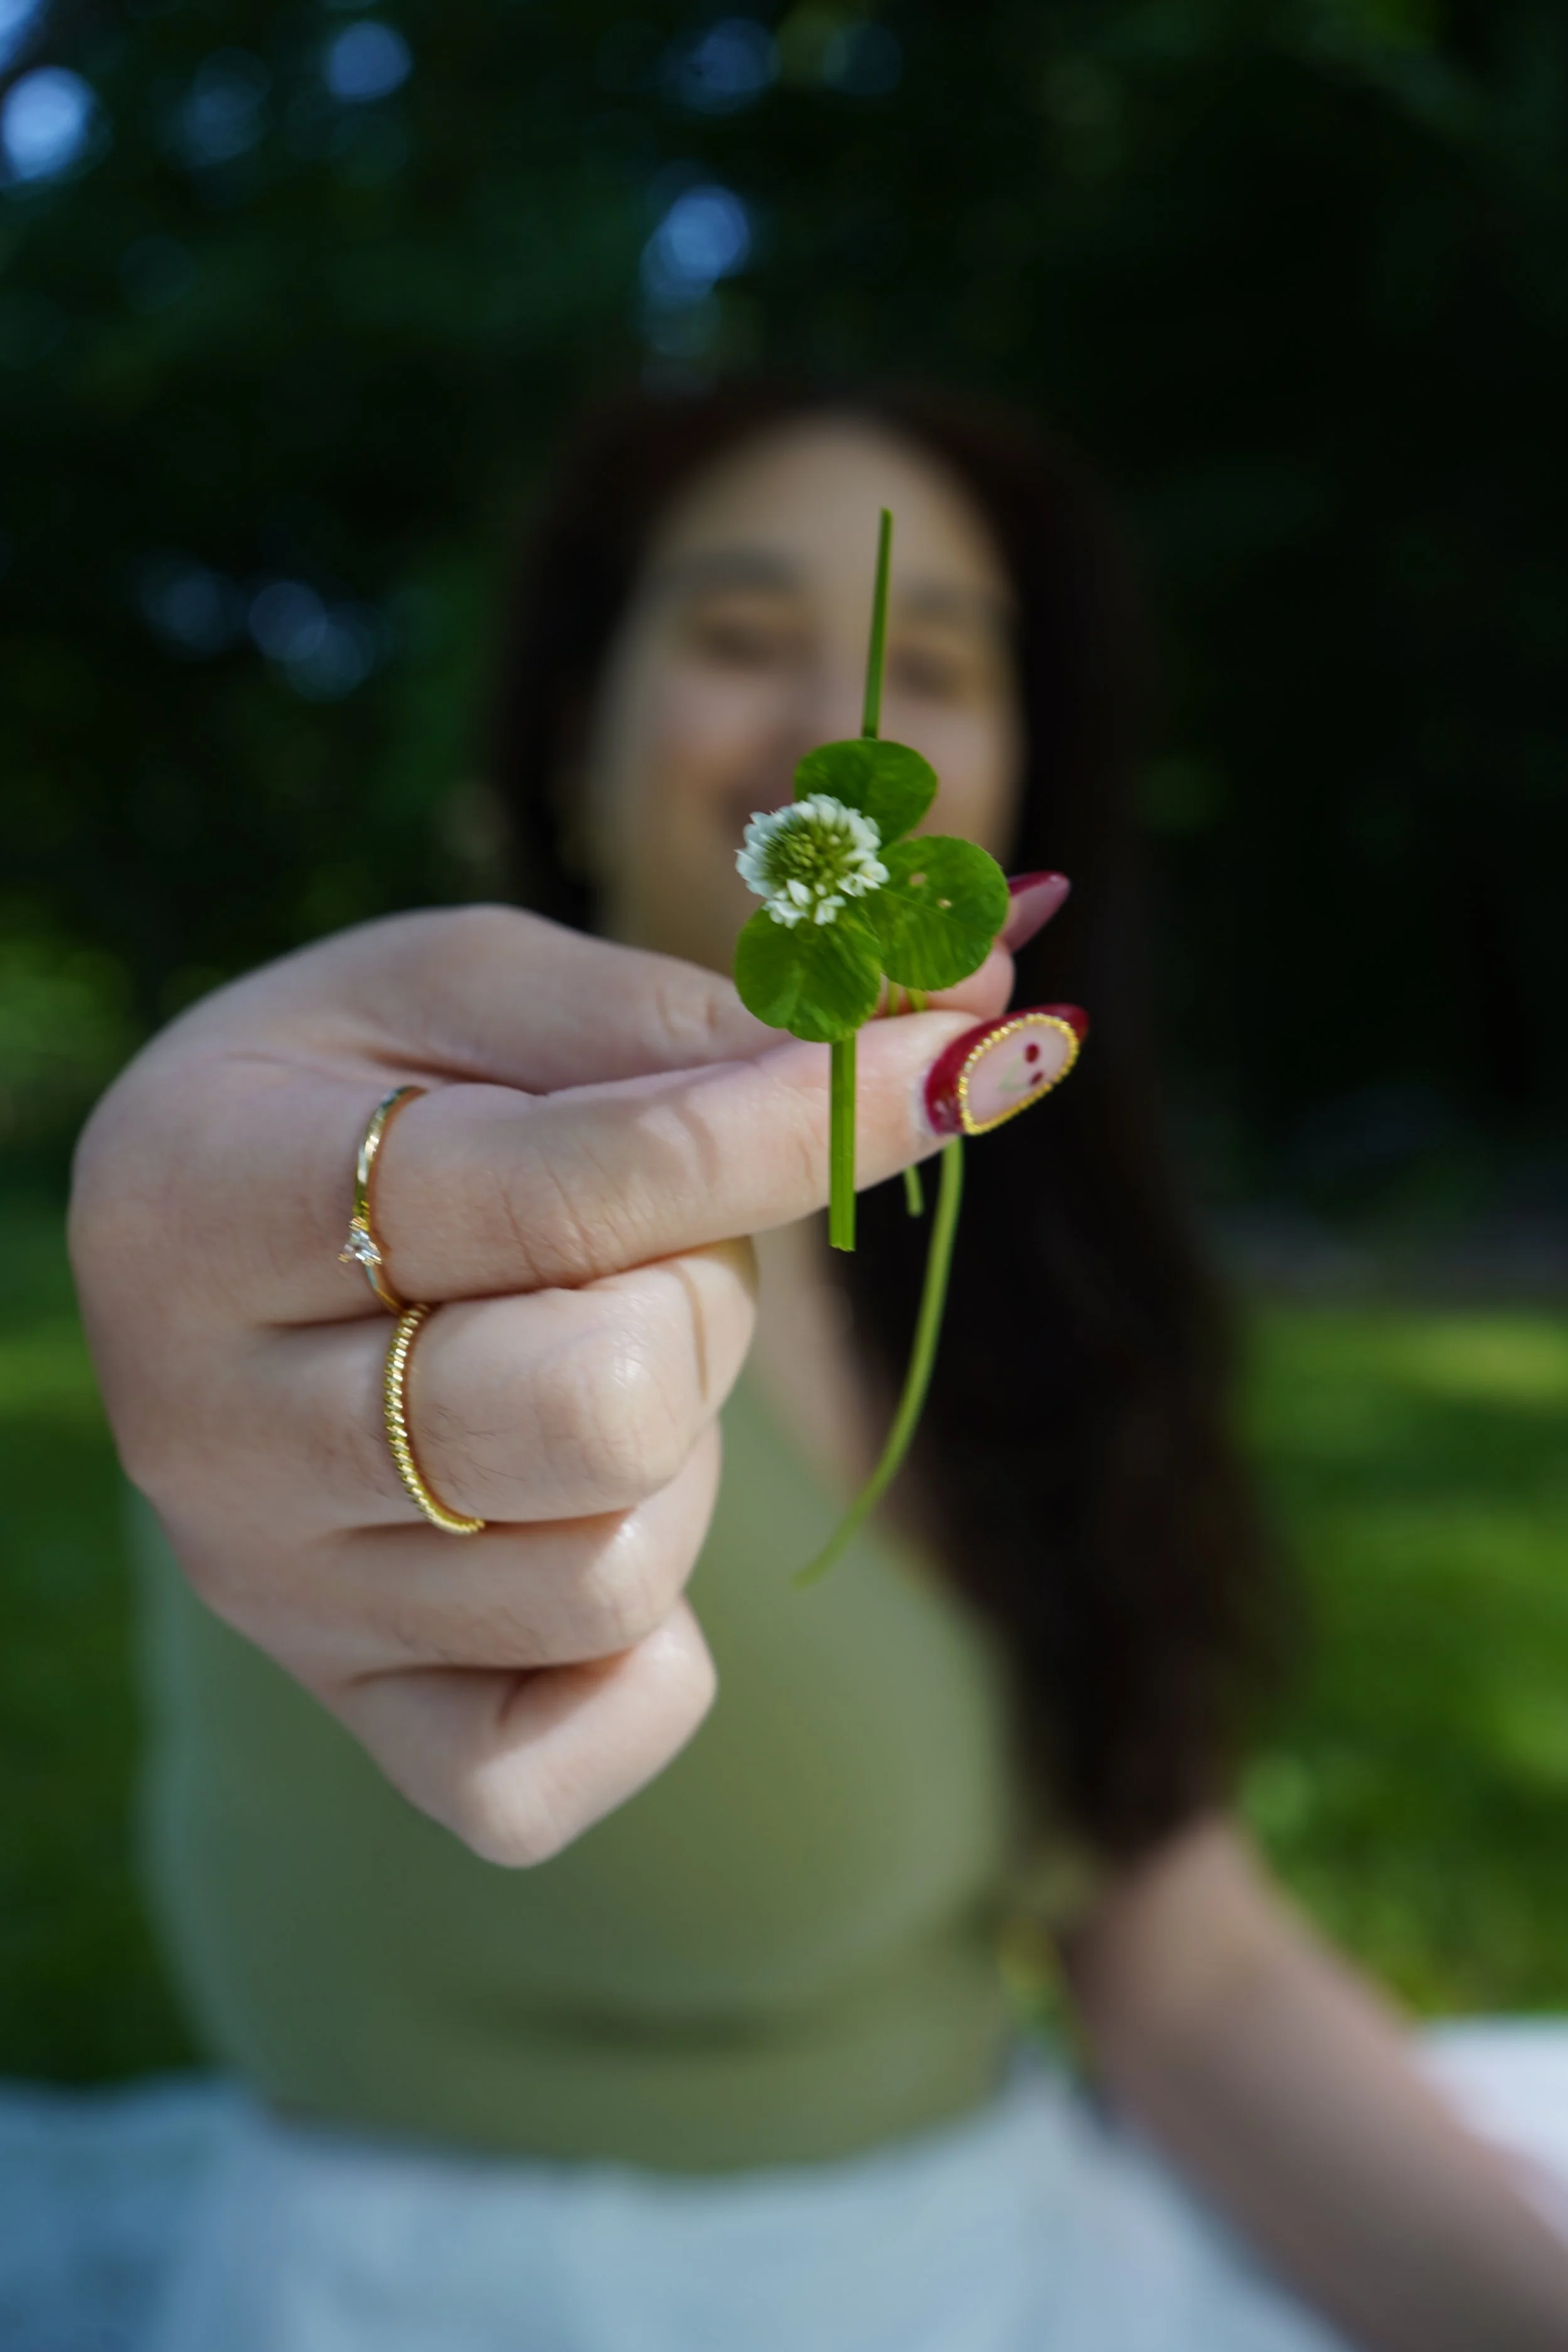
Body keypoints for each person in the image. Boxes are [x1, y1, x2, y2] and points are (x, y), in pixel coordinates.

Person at [70, 379, 1568, 2351]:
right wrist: (188, 1180)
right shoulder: (417, 1170)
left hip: (1012, 2214)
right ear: (575, 741)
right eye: (734, 634)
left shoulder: (1027, 1282)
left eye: (929, 663)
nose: (832, 725)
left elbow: (1185, 1965)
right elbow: (231, 1197)